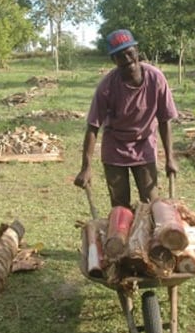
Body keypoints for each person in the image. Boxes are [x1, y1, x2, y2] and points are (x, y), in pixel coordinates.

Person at [74, 29, 179, 209]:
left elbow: (164, 119)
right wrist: (86, 167)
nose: (128, 60)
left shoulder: (156, 79)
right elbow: (92, 127)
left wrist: (170, 158)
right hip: (115, 148)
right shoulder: (106, 87)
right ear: (113, 60)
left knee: (152, 204)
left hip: (144, 145)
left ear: (137, 50)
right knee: (120, 207)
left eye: (130, 53)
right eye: (120, 56)